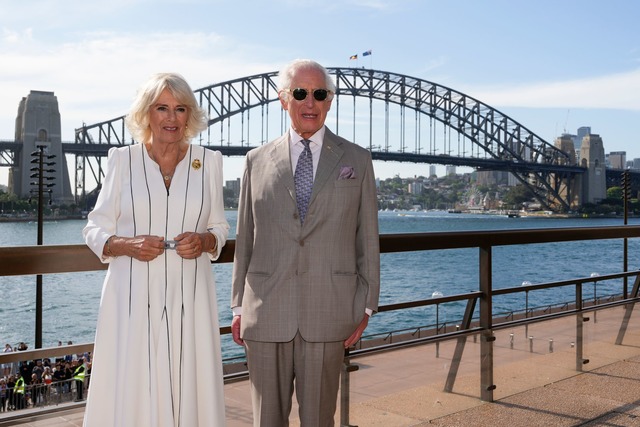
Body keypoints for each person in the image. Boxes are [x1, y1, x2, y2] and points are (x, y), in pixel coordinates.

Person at [231, 59, 380, 426]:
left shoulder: (357, 160)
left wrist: (367, 305)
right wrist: (237, 308)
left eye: (319, 94)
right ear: (284, 100)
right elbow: (245, 238)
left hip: (330, 312)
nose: (309, 102)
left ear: (330, 101)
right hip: (266, 312)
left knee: (318, 421)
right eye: (300, 93)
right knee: (267, 420)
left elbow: (368, 240)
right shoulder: (255, 161)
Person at [83, 72, 229, 427]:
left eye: (180, 109)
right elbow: (94, 227)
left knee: (189, 381)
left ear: (189, 116)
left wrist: (206, 241)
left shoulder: (208, 162)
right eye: (162, 108)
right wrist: (124, 244)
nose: (171, 117)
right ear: (146, 114)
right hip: (131, 299)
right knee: (132, 385)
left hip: (189, 297)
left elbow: (220, 228)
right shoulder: (122, 159)